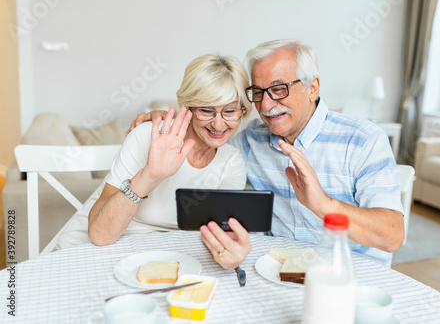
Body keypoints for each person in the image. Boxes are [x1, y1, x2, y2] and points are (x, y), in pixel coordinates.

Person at [128, 39, 405, 266]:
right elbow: (211, 131)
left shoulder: (363, 140)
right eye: (258, 92)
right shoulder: (249, 140)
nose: (267, 104)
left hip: (350, 274)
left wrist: (325, 205)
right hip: (274, 270)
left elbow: (392, 235)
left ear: (313, 87)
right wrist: (173, 119)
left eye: (279, 89)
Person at [57, 54, 253, 269]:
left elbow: (218, 237)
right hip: (86, 254)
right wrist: (151, 174)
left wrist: (229, 252)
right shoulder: (147, 136)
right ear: (188, 106)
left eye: (230, 111)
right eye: (206, 110)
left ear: (242, 111)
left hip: (154, 260)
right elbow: (100, 235)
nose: (218, 124)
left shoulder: (231, 162)